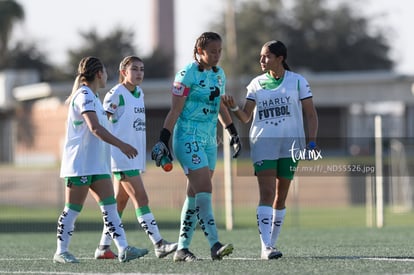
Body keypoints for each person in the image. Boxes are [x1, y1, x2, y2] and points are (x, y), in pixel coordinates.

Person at [222, 40, 319, 260]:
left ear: (280, 58)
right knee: (266, 193)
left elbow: (311, 115)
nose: (261, 60)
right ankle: (265, 246)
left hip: (291, 145)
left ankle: (271, 244)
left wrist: (311, 142)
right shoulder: (256, 83)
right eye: (261, 56)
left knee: (281, 197)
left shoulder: (298, 82)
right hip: (263, 143)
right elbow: (246, 117)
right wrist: (234, 107)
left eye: (266, 56)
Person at [151, 32, 241, 262]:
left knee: (193, 197)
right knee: (205, 190)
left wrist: (232, 133)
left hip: (209, 141)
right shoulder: (186, 74)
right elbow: (174, 111)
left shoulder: (219, 74)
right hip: (187, 138)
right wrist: (163, 139)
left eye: (220, 51)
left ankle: (182, 249)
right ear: (199, 52)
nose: (217, 55)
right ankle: (215, 244)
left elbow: (220, 106)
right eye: (212, 51)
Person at [54, 56, 149, 264]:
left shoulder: (95, 97)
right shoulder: (84, 96)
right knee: (72, 209)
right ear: (99, 74)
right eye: (105, 72)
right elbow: (95, 128)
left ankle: (124, 248)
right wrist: (121, 144)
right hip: (79, 165)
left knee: (110, 206)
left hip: (97, 164)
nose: (107, 76)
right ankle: (61, 251)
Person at [93, 56, 178, 260]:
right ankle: (159, 243)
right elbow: (103, 124)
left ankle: (103, 247)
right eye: (134, 69)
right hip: (120, 157)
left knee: (119, 204)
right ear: (124, 72)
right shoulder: (116, 94)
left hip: (134, 157)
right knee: (142, 198)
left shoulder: (139, 93)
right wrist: (117, 147)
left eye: (141, 69)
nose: (139, 73)